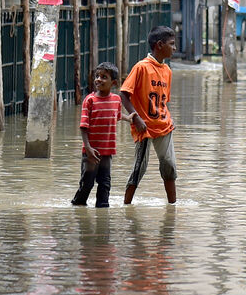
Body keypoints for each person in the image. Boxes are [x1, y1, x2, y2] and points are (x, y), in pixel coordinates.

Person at [120, 26, 178, 204]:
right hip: (144, 128)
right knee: (139, 169)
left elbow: (164, 100)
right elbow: (124, 94)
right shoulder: (141, 67)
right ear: (159, 45)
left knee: (169, 166)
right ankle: (126, 206)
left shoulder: (167, 70)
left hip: (164, 126)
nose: (174, 48)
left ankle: (172, 207)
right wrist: (136, 117)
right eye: (172, 44)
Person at [71, 62, 123, 208]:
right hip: (91, 151)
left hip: (107, 151)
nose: (98, 79)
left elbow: (117, 116)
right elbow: (83, 126)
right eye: (97, 76)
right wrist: (87, 148)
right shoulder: (90, 100)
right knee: (87, 183)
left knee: (105, 183)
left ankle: (103, 210)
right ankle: (78, 205)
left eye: (104, 77)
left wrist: (131, 118)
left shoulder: (116, 100)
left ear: (113, 83)